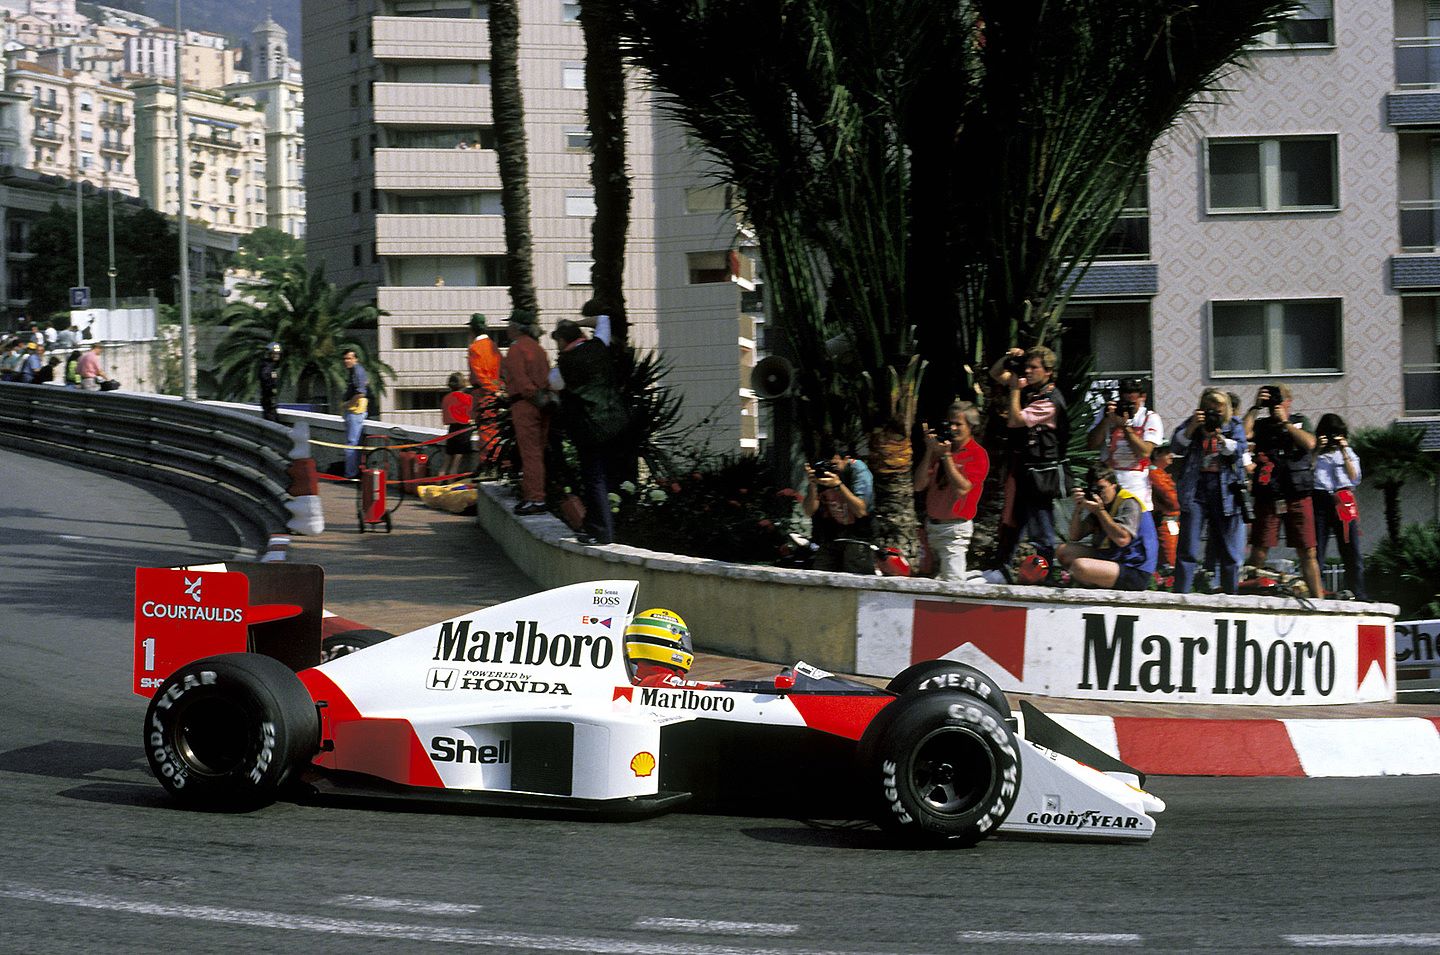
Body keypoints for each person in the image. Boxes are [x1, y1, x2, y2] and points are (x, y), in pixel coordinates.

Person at [550, 302, 630, 544]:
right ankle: (613, 523)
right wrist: (576, 323)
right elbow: (603, 318)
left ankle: (601, 531)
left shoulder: (562, 367)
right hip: (617, 423)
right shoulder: (599, 345)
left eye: (558, 342)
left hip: (590, 429)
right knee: (616, 476)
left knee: (594, 479)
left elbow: (553, 385)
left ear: (563, 342)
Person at [989, 345, 1067, 569]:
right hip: (1025, 469)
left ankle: (1046, 571)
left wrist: (1014, 390)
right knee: (1013, 520)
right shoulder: (1032, 389)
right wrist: (1007, 357)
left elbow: (1014, 421)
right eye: (1027, 367)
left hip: (1041, 474)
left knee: (1041, 526)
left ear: (1048, 371)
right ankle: (1002, 567)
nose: (1029, 371)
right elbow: (995, 374)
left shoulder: (1049, 402)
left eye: (1034, 367)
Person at [1244, 383, 1322, 598]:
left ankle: (1319, 602)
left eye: (1278, 400)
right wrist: (1255, 408)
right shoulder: (1261, 425)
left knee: (1308, 550)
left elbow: (1310, 443)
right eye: (1270, 400)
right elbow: (1243, 435)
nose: (1274, 404)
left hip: (1297, 492)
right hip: (1269, 494)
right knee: (1259, 549)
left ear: (1288, 402)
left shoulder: (1300, 421)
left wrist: (1286, 423)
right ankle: (1251, 597)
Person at [1170, 389, 1249, 594]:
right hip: (1196, 488)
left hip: (1226, 491)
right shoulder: (1193, 423)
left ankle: (1231, 596)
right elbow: (1175, 447)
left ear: (1226, 409)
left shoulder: (1234, 425)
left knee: (1229, 550)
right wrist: (1193, 427)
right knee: (1188, 547)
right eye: (1210, 409)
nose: (1214, 413)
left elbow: (1241, 451)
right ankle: (1182, 595)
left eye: (1218, 409)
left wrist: (1222, 439)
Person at [914, 400, 989, 581]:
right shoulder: (939, 450)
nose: (953, 428)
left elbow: (963, 488)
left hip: (954, 531)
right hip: (931, 528)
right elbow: (919, 485)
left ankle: (979, 580)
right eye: (950, 423)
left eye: (958, 424)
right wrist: (929, 452)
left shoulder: (977, 454)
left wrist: (946, 457)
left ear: (970, 426)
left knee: (953, 584)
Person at [1057, 464, 1157, 591]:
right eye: (1095, 489)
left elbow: (1122, 539)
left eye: (1102, 488)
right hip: (1111, 559)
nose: (1099, 494)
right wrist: (1079, 508)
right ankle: (1093, 580)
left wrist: (1100, 512)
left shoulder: (1128, 503)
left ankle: (1085, 584)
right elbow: (1075, 536)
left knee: (1079, 566)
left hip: (1134, 569)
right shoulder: (1101, 505)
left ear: (1114, 485)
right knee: (1064, 552)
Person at [1311, 413, 1367, 599]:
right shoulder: (1315, 453)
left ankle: (1357, 591)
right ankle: (1318, 591)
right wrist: (1317, 450)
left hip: (1343, 497)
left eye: (1336, 433)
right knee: (1317, 547)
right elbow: (1307, 474)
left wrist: (1344, 451)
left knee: (1351, 546)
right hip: (1319, 497)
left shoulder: (1348, 453)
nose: (1333, 438)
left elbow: (1355, 477)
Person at [502, 309, 553, 515]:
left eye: (509, 324)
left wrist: (532, 396)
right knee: (538, 451)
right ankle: (535, 495)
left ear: (515, 327)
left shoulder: (516, 349)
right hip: (543, 404)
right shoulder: (538, 349)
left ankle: (535, 498)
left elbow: (522, 382)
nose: (507, 328)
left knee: (529, 452)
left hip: (525, 404)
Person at [1086, 377, 1163, 509]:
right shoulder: (1108, 414)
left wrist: (1125, 427)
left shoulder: (1149, 418)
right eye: (1125, 402)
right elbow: (1091, 444)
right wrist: (1105, 420)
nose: (1128, 408)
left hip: (1137, 487)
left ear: (1142, 397)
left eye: (1132, 404)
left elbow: (1145, 451)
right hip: (1110, 485)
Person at [803, 440, 875, 573]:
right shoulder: (822, 471)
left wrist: (838, 485)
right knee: (820, 578)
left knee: (854, 581)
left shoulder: (858, 471)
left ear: (846, 459)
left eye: (835, 465)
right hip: (830, 538)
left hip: (857, 539)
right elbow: (809, 510)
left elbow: (861, 510)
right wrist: (813, 485)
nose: (831, 470)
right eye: (828, 465)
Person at [467, 313, 503, 465]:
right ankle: (497, 463)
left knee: (485, 432)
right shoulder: (493, 346)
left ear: (472, 330)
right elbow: (502, 370)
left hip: (483, 394)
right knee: (494, 431)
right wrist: (499, 389)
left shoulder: (474, 348)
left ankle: (488, 466)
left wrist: (491, 389)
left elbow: (478, 374)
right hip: (496, 393)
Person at [1148, 444, 1180, 577]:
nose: (1171, 456)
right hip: (1165, 522)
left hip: (1170, 521)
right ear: (1156, 455)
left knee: (1171, 556)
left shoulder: (1160, 473)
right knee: (1169, 557)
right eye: (1167, 453)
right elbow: (1172, 500)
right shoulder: (1155, 474)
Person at [341, 349, 369, 479]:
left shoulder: (358, 371)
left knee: (351, 444)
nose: (347, 361)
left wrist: (348, 404)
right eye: (345, 359)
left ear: (356, 359)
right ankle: (354, 473)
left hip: (355, 412)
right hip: (354, 412)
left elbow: (360, 393)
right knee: (354, 443)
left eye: (349, 358)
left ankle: (350, 475)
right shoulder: (354, 371)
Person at [440, 371, 475, 475]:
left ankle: (438, 485)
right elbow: (471, 414)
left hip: (451, 430)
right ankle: (450, 486)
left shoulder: (446, 398)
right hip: (463, 430)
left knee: (446, 463)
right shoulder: (467, 398)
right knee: (456, 464)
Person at [258, 341, 282, 422]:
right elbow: (266, 383)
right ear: (269, 354)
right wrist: (271, 390)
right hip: (269, 402)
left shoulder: (271, 367)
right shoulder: (267, 368)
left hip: (271, 402)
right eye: (274, 353)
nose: (276, 355)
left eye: (278, 354)